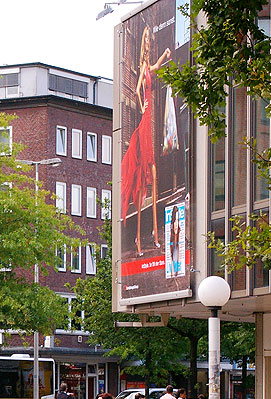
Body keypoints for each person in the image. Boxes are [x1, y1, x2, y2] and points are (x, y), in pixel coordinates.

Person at [120, 25, 171, 256]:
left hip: (148, 121)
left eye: (151, 40)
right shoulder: (142, 66)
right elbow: (138, 89)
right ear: (144, 43)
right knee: (143, 178)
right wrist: (142, 106)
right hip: (145, 121)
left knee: (154, 174)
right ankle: (140, 237)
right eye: (148, 41)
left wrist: (165, 54)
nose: (149, 43)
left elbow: (157, 67)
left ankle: (154, 234)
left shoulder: (149, 65)